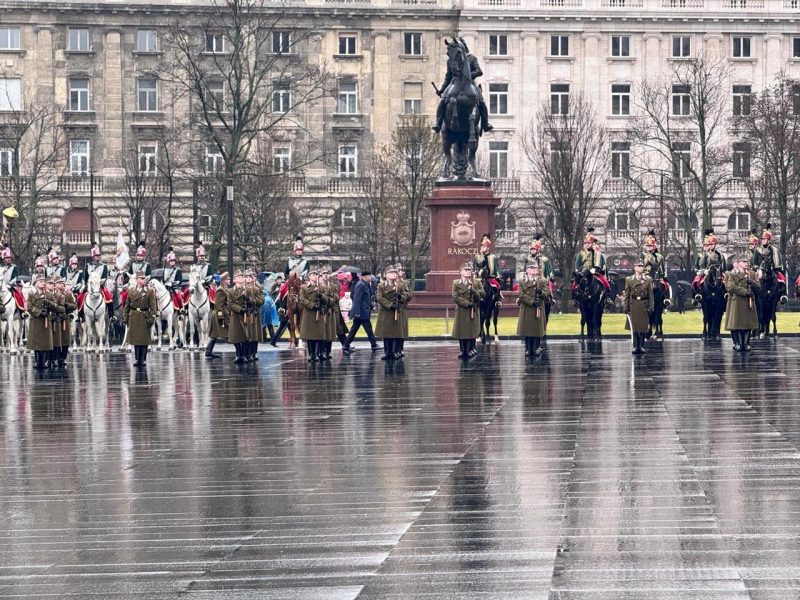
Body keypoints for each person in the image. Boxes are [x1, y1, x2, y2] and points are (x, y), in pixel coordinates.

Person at [432, 37, 492, 134]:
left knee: (481, 102)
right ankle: (438, 124)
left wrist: (468, 75)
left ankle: (486, 124)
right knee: (442, 101)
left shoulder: (471, 58)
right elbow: (448, 76)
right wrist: (441, 90)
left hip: (470, 83)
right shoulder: (450, 60)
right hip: (454, 83)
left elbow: (479, 71)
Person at [724, 255, 760, 352]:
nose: (746, 263)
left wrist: (750, 281)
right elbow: (731, 287)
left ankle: (746, 344)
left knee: (748, 323)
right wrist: (745, 292)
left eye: (747, 262)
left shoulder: (751, 274)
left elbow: (758, 286)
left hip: (749, 302)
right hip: (738, 301)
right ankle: (739, 343)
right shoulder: (732, 274)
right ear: (738, 263)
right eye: (744, 262)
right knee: (739, 324)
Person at [124, 271, 157, 367]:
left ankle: (142, 359)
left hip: (144, 315)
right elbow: (127, 305)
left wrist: (152, 317)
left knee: (143, 340)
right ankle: (137, 359)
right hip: (133, 315)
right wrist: (125, 317)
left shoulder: (149, 291)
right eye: (142, 278)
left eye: (144, 278)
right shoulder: (131, 290)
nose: (144, 280)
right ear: (137, 280)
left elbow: (153, 306)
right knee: (135, 339)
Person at [451, 263, 484, 359]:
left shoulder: (474, 283)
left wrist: (474, 292)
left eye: (469, 270)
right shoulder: (456, 283)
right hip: (462, 309)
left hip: (471, 311)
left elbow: (480, 296)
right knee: (461, 330)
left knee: (470, 330)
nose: (468, 271)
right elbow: (455, 297)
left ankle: (470, 348)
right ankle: (462, 350)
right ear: (460, 272)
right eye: (465, 270)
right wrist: (467, 303)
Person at [516, 262, 549, 357]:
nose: (534, 269)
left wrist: (541, 292)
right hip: (527, 308)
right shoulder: (522, 281)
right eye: (532, 268)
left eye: (536, 268)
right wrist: (532, 302)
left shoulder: (542, 281)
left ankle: (536, 347)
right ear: (527, 270)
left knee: (537, 329)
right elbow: (521, 295)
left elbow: (546, 295)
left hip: (538, 308)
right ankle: (527, 348)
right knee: (527, 329)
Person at [623, 259, 654, 355]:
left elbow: (650, 295)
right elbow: (627, 295)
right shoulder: (629, 279)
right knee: (635, 327)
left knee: (643, 327)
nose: (641, 268)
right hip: (633, 304)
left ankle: (641, 346)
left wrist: (651, 307)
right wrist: (626, 307)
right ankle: (635, 346)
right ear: (635, 268)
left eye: (642, 266)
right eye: (639, 266)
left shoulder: (648, 279)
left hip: (644, 304)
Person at [375, 265, 405, 361]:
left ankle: (395, 351)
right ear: (386, 275)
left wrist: (400, 297)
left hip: (396, 311)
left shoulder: (399, 285)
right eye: (391, 272)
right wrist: (390, 305)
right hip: (386, 311)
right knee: (386, 332)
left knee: (395, 332)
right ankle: (387, 352)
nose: (393, 274)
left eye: (394, 273)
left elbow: (406, 297)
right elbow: (379, 298)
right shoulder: (381, 285)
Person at [345, 272, 379, 351]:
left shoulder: (366, 284)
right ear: (365, 276)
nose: (370, 277)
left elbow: (367, 297)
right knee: (368, 329)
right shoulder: (361, 285)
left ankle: (346, 345)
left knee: (354, 329)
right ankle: (373, 344)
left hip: (363, 311)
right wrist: (357, 312)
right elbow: (357, 299)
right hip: (361, 312)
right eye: (369, 276)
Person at [299, 269, 327, 363]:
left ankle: (318, 353)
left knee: (318, 335)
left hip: (319, 313)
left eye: (316, 275)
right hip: (309, 313)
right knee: (310, 336)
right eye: (313, 274)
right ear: (309, 276)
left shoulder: (321, 287)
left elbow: (326, 299)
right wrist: (312, 305)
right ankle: (311, 354)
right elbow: (302, 299)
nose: (315, 276)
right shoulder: (304, 287)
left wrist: (321, 296)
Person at [26, 275, 53, 371]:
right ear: (36, 283)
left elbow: (55, 306)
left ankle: (45, 361)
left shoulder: (48, 295)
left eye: (43, 281)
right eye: (40, 281)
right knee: (36, 342)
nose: (43, 283)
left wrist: (49, 304)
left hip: (46, 320)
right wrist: (39, 312)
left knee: (45, 341)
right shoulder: (32, 294)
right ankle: (38, 361)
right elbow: (29, 307)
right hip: (36, 320)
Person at [692, 229, 728, 296]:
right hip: (707, 272)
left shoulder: (720, 255)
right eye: (709, 244)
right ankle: (698, 294)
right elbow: (702, 265)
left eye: (712, 244)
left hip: (718, 273)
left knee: (726, 282)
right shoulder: (705, 255)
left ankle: (726, 294)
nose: (710, 246)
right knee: (697, 281)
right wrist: (704, 270)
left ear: (715, 244)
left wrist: (723, 272)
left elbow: (724, 266)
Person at [206, 271, 229, 359]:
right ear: (223, 281)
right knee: (216, 334)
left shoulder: (224, 288)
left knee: (214, 335)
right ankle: (239, 351)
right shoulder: (220, 290)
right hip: (218, 315)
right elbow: (218, 305)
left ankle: (208, 352)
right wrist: (220, 317)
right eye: (227, 279)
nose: (229, 281)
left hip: (220, 314)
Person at [55, 277, 77, 368]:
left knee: (65, 339)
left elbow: (74, 305)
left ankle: (63, 358)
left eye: (62, 283)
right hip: (55, 318)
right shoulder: (52, 294)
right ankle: (56, 358)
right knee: (56, 340)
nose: (61, 285)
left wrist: (67, 305)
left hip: (65, 318)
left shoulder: (68, 294)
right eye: (59, 283)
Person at [227, 272, 249, 364]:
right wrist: (240, 309)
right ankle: (238, 354)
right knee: (235, 337)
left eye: (241, 276)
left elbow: (250, 301)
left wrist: (246, 297)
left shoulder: (246, 289)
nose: (240, 278)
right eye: (238, 277)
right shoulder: (230, 291)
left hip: (244, 316)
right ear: (234, 280)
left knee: (244, 337)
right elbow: (230, 304)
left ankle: (243, 355)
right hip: (236, 315)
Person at [162, 248, 186, 315]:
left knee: (178, 297)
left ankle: (181, 309)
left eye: (173, 261)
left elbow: (179, 281)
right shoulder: (165, 270)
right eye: (171, 261)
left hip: (174, 288)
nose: (172, 262)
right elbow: (163, 280)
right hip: (166, 287)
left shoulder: (178, 270)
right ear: (168, 261)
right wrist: (163, 284)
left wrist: (171, 283)